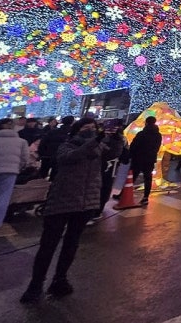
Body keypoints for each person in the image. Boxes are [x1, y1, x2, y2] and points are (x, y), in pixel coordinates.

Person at [19, 117, 122, 303]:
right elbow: (71, 157)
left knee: (71, 243)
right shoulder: (67, 145)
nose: (90, 128)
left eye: (92, 126)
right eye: (85, 126)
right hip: (62, 201)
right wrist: (96, 140)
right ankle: (36, 284)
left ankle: (60, 279)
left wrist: (116, 139)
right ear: (77, 129)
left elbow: (114, 153)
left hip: (85, 202)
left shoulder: (99, 148)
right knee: (48, 245)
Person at [90, 120, 125, 222]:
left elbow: (114, 153)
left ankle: (97, 210)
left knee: (104, 187)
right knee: (100, 187)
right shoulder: (100, 137)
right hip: (103, 167)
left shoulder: (117, 139)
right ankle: (94, 209)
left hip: (108, 167)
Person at [128, 116, 162, 205]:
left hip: (138, 158)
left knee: (132, 177)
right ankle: (146, 197)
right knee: (148, 178)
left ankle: (124, 194)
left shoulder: (142, 133)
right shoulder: (158, 135)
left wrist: (130, 154)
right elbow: (157, 147)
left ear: (146, 123)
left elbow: (134, 145)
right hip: (150, 159)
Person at [38, 116, 73, 181]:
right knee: (55, 176)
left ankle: (39, 188)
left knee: (43, 174)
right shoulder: (72, 134)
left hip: (47, 155)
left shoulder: (53, 131)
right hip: (60, 157)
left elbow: (43, 143)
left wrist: (41, 154)